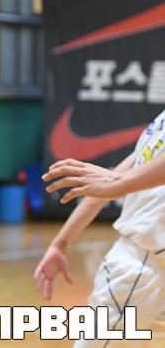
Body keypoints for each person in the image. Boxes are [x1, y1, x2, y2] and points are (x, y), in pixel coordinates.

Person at [36, 110, 165, 346]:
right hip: (144, 263)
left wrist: (117, 182)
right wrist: (60, 242)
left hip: (143, 267)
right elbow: (107, 184)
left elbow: (114, 181)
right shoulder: (160, 122)